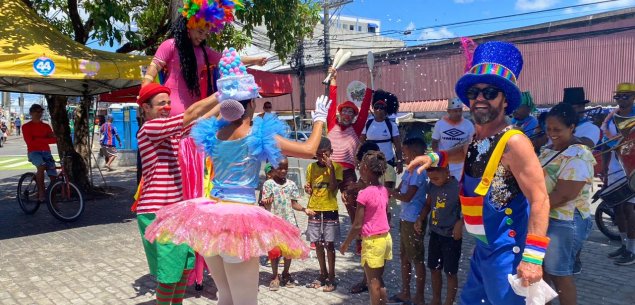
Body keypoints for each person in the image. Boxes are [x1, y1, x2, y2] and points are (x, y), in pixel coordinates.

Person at [144, 48, 331, 305]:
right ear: (251, 103)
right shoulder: (257, 134)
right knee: (244, 302)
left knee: (226, 298)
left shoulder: (213, 134)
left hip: (210, 220)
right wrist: (320, 119)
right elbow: (310, 150)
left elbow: (200, 120)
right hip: (239, 222)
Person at [408, 41, 550, 304]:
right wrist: (434, 156)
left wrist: (532, 257)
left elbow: (540, 199)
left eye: (490, 91)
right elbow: (465, 150)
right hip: (483, 249)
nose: (480, 98)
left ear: (505, 100)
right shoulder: (477, 135)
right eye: (474, 92)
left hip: (507, 252)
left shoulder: (514, 142)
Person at [133, 81, 220, 305]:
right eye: (161, 103)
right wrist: (222, 92)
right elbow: (191, 113)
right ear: (146, 108)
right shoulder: (150, 128)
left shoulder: (169, 133)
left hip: (176, 210)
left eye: (169, 103)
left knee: (185, 265)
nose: (167, 106)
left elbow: (201, 120)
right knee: (170, 274)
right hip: (157, 212)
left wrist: (228, 101)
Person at [141, 0, 266, 116]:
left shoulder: (204, 51)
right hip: (171, 109)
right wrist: (144, 91)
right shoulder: (170, 45)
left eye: (206, 34)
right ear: (189, 26)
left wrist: (255, 60)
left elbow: (229, 58)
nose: (203, 37)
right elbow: (153, 68)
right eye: (200, 32)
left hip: (196, 108)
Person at [538, 103, 595, 305]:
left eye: (557, 130)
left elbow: (564, 195)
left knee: (560, 274)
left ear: (571, 127)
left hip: (565, 221)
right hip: (546, 217)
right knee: (541, 271)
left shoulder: (579, 154)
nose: (552, 134)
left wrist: (535, 210)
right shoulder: (548, 150)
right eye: (549, 129)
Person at [326, 66, 374, 256]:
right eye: (344, 111)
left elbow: (364, 108)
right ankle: (322, 236)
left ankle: (359, 240)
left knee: (354, 205)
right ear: (339, 113)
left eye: (350, 112)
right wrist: (333, 79)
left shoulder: (357, 126)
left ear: (354, 117)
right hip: (329, 169)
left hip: (347, 173)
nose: (346, 114)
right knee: (324, 202)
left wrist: (370, 83)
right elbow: (331, 101)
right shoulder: (331, 123)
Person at [340, 150, 392, 305]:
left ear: (365, 169)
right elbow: (387, 215)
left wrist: (346, 243)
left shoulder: (364, 194)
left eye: (360, 166)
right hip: (385, 239)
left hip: (372, 242)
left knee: (372, 283)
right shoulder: (383, 190)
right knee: (379, 279)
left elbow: (357, 224)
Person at [260, 157, 315, 291]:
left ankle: (286, 273)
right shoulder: (268, 184)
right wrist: (267, 202)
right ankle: (275, 276)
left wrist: (304, 209)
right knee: (274, 251)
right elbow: (265, 202)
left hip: (289, 221)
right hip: (273, 222)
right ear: (273, 168)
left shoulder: (291, 184)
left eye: (286, 168)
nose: (283, 171)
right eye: (280, 168)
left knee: (289, 250)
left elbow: (293, 203)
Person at [414, 165, 462, 305]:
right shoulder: (432, 186)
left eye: (436, 178)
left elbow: (469, 208)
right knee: (434, 268)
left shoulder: (458, 187)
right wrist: (420, 218)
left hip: (451, 236)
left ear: (447, 171)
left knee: (450, 272)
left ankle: (449, 302)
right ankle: (436, 300)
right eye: (430, 179)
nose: (433, 181)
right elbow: (429, 204)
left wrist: (461, 222)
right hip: (435, 233)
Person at [388, 137, 428, 305]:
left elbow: (407, 196)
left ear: (413, 153)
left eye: (404, 153)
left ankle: (419, 297)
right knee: (404, 256)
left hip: (414, 220)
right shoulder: (408, 171)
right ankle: (405, 292)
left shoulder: (419, 172)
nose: (403, 157)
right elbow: (398, 190)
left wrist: (388, 191)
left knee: (417, 259)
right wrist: (391, 191)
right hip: (405, 218)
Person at [602, 82, 635, 265]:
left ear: (633, 97)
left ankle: (632, 250)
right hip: (615, 169)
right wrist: (605, 170)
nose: (622, 100)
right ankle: (624, 244)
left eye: (626, 96)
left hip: (632, 169)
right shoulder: (610, 119)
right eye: (619, 97)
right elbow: (606, 147)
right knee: (618, 208)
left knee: (630, 210)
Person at [304, 137, 343, 293]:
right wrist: (307, 188)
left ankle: (332, 276)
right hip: (314, 208)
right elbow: (309, 187)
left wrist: (331, 168)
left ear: (331, 153)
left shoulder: (337, 167)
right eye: (319, 155)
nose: (322, 158)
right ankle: (322, 273)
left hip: (330, 208)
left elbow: (333, 187)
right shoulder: (311, 168)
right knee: (318, 243)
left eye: (325, 154)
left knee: (330, 244)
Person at [431, 97, 475, 179]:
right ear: (449, 111)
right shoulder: (440, 124)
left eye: (460, 110)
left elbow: (472, 144)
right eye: (455, 111)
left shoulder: (468, 125)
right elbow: (434, 142)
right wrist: (439, 159)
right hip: (444, 164)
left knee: (459, 189)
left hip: (461, 166)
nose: (458, 113)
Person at [361, 90, 403, 175]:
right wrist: (360, 159)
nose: (379, 109)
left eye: (382, 107)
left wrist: (399, 161)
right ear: (373, 108)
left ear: (386, 109)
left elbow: (398, 146)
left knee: (387, 187)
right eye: (376, 107)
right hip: (370, 162)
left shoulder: (391, 125)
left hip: (387, 161)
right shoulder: (367, 124)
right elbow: (361, 142)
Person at [22, 104, 57, 202]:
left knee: (54, 176)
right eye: (36, 111)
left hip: (46, 152)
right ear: (31, 113)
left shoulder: (46, 126)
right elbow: (30, 142)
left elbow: (54, 140)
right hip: (34, 152)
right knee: (41, 166)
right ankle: (41, 192)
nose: (39, 114)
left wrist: (37, 139)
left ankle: (52, 200)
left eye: (40, 112)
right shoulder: (26, 127)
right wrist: (46, 139)